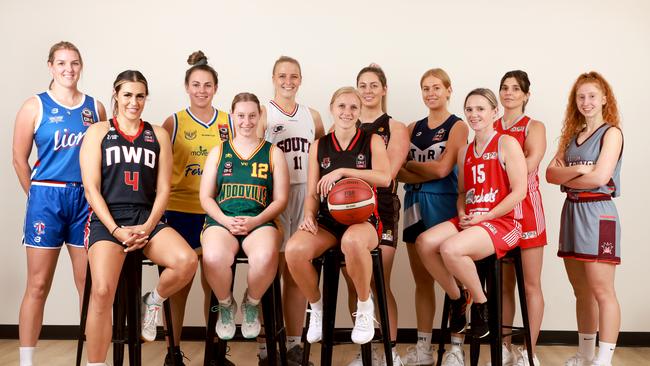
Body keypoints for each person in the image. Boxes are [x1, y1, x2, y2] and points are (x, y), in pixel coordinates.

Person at [80, 70, 198, 366]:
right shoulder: (98, 132)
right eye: (128, 95)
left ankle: (153, 301)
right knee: (103, 290)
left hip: (146, 217)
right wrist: (116, 229)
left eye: (140, 95)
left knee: (187, 261)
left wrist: (146, 227)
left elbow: (163, 190)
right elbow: (91, 189)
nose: (134, 102)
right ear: (116, 95)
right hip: (108, 220)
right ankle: (97, 364)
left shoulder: (157, 134)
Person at [415, 88, 527, 366]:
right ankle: (457, 298)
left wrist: (485, 215)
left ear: (494, 112)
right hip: (474, 218)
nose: (474, 115)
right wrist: (464, 213)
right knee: (425, 243)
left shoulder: (507, 143)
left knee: (450, 249)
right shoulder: (465, 150)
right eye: (469, 110)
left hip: (503, 222)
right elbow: (463, 193)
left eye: (480, 109)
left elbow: (520, 191)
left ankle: (481, 305)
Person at [12, 41, 106, 366]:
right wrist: (35, 195)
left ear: (81, 66)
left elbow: (101, 160)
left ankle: (92, 360)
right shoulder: (34, 106)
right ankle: (26, 361)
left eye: (75, 63)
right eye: (62, 63)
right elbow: (19, 159)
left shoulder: (96, 108)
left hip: (84, 198)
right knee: (38, 284)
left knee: (89, 284)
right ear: (50, 66)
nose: (69, 69)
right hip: (46, 198)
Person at [285, 86, 391, 347]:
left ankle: (365, 308)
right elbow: (312, 193)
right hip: (327, 221)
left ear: (360, 111)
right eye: (341, 106)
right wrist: (308, 215)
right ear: (331, 109)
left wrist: (342, 171)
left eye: (353, 107)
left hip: (363, 220)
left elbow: (385, 177)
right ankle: (317, 308)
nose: (347, 111)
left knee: (352, 243)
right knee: (294, 249)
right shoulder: (319, 146)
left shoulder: (371, 141)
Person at [160, 50, 234, 366]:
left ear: (215, 88)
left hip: (215, 212)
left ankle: (215, 350)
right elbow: (160, 172)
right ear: (187, 87)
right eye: (196, 85)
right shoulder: (173, 122)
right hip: (180, 211)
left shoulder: (228, 121)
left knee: (216, 285)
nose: (202, 90)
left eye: (207, 85)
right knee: (179, 286)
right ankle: (172, 352)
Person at [546, 72, 622, 366]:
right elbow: (550, 175)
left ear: (604, 98)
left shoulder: (611, 133)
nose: (586, 102)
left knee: (603, 290)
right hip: (573, 212)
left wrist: (571, 177)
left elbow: (601, 177)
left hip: (599, 214)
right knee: (581, 291)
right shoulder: (571, 137)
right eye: (581, 96)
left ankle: (604, 358)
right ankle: (586, 353)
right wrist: (581, 172)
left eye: (592, 96)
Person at [200, 93, 289, 343]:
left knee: (264, 255)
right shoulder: (219, 152)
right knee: (214, 256)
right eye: (241, 116)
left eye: (252, 115)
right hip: (222, 220)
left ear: (260, 116)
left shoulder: (273, 153)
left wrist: (255, 221)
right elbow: (206, 197)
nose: (247, 121)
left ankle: (252, 302)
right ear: (232, 117)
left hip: (259, 221)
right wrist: (226, 221)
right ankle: (225, 304)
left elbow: (280, 200)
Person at [397, 68, 469, 366]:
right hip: (413, 203)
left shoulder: (458, 126)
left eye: (437, 87)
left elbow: (443, 170)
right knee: (422, 280)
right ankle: (424, 347)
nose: (431, 93)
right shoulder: (412, 127)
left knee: (454, 277)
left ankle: (455, 347)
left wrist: (412, 166)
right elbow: (396, 171)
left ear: (449, 90)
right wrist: (416, 168)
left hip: (445, 203)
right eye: (425, 88)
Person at [256, 56, 324, 365]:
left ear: (300, 79)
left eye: (294, 75)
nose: (288, 80)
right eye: (282, 75)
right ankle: (266, 345)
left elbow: (324, 157)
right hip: (274, 197)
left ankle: (294, 344)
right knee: (269, 273)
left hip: (305, 197)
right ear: (273, 78)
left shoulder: (312, 116)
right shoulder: (262, 114)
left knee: (295, 273)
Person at [343, 65, 409, 366]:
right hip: (346, 209)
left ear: (384, 89)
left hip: (381, 205)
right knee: (354, 280)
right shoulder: (345, 124)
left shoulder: (395, 127)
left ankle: (390, 349)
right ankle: (365, 349)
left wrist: (349, 177)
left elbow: (388, 174)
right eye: (362, 85)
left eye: (373, 85)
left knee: (379, 280)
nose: (368, 90)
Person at [490, 70, 547, 366]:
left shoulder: (533, 127)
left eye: (515, 89)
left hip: (526, 208)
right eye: (504, 88)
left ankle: (529, 350)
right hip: (499, 208)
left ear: (526, 95)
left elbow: (530, 162)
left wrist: (499, 171)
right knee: (503, 284)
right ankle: (504, 347)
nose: (509, 93)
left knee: (530, 284)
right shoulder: (491, 125)